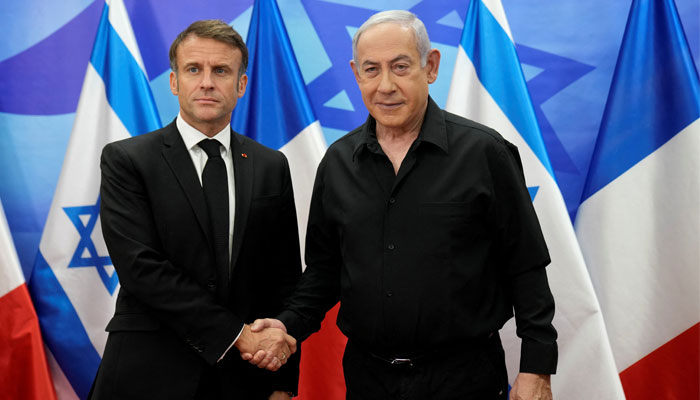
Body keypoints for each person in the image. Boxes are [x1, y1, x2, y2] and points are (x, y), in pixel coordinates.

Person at [247, 10, 557, 400]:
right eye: (371, 70)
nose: (386, 85)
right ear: (356, 74)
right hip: (367, 378)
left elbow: (526, 267)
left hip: (464, 379)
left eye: (400, 66)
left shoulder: (485, 153)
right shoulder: (338, 163)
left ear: (430, 67)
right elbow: (325, 273)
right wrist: (286, 326)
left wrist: (536, 367)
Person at [90, 20, 301, 400]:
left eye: (221, 71)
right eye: (193, 70)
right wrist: (237, 335)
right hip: (148, 374)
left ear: (241, 85)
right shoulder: (127, 160)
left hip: (245, 380)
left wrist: (283, 382)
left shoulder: (271, 165)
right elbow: (141, 268)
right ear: (174, 82)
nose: (207, 82)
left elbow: (283, 277)